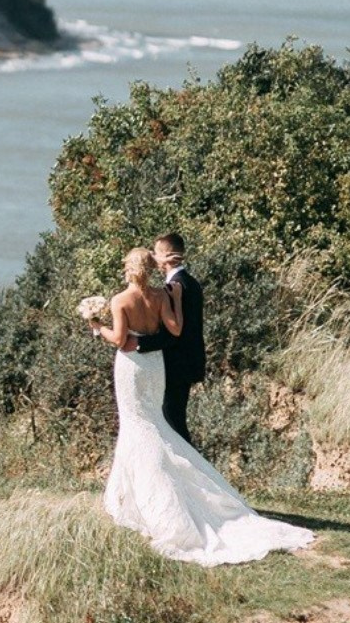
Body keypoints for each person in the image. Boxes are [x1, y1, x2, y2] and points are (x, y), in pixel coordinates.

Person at [88, 245, 313, 566]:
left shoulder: (120, 300)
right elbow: (176, 330)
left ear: (127, 268)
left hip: (132, 367)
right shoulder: (161, 296)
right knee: (154, 421)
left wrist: (97, 328)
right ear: (151, 269)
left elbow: (120, 340)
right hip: (156, 367)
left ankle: (147, 499)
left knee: (137, 424)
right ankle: (146, 492)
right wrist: (177, 302)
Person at [133, 233, 205, 446]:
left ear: (166, 256)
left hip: (177, 364)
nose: (153, 257)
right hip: (188, 361)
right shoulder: (190, 282)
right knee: (174, 420)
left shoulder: (175, 287)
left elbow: (174, 333)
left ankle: (194, 473)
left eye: (156, 253)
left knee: (174, 423)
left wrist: (139, 344)